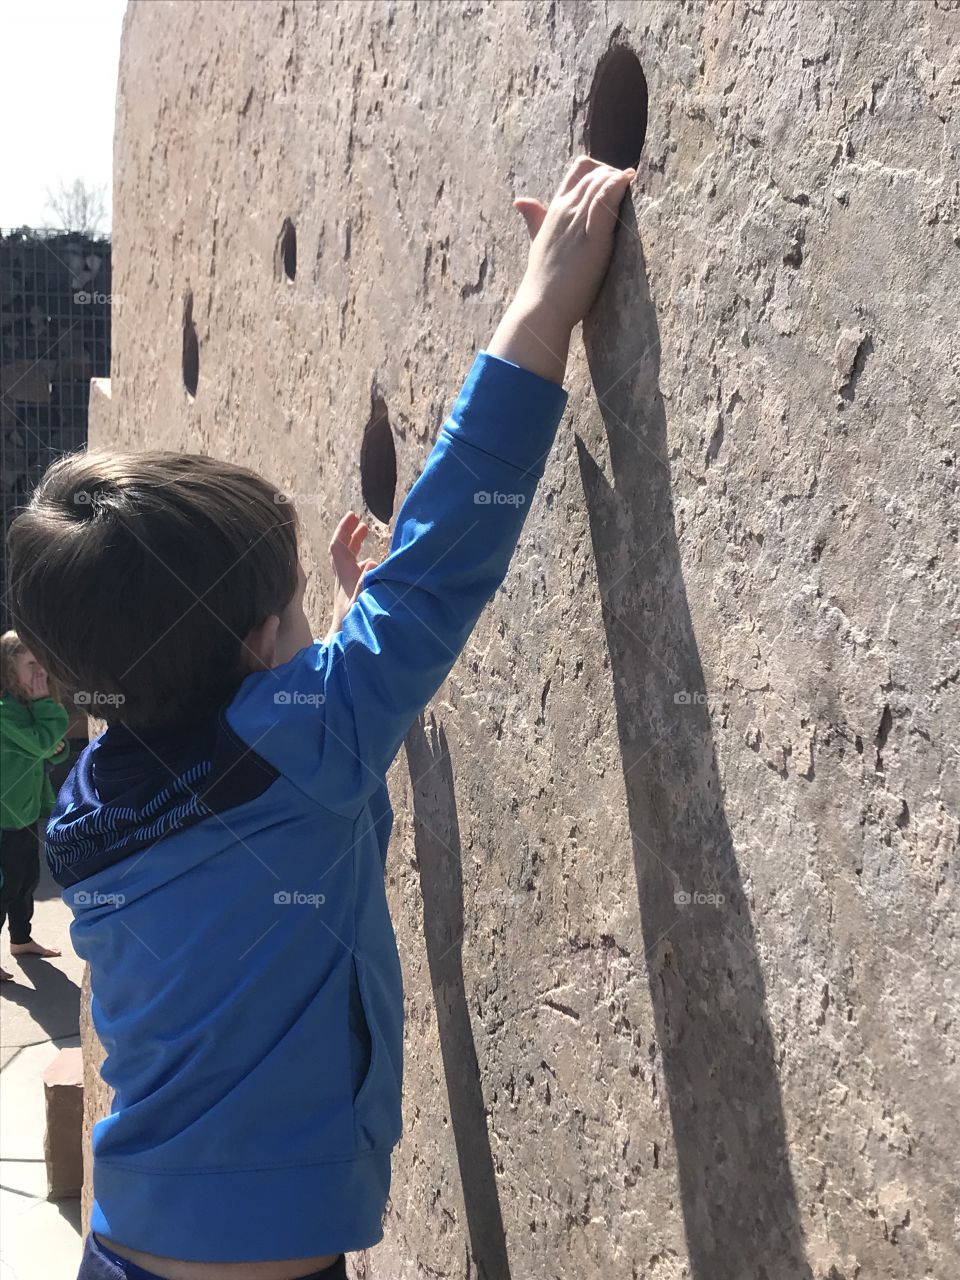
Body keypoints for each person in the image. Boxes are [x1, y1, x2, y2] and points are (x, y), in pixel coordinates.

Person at [7, 155, 635, 1280]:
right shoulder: (303, 741)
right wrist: (543, 303)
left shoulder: (95, 801)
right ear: (256, 650)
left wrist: (324, 650)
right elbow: (439, 562)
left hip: (131, 1241)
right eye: (291, 605)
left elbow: (267, 742)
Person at [0, 631, 69, 980]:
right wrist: (48, 716)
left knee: (27, 879)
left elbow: (54, 749)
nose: (40, 672)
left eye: (43, 663)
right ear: (10, 671)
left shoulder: (28, 709)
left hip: (22, 813)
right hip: (4, 818)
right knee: (4, 886)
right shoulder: (5, 713)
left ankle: (21, 940)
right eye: (31, 665)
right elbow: (45, 744)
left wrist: (54, 744)